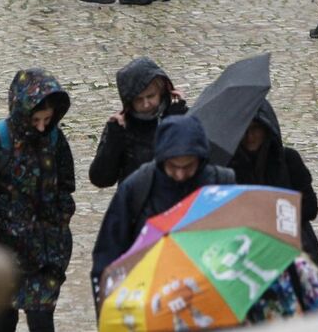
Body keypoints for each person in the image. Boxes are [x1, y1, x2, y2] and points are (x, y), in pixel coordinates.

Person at [0, 69, 76, 332]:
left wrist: (59, 224)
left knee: (41, 320)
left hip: (45, 254)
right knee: (4, 319)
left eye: (47, 119)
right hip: (5, 256)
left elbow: (65, 187)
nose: (41, 127)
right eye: (36, 119)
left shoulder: (55, 139)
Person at [91, 115, 234, 307]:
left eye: (189, 166)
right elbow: (108, 253)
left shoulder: (222, 183)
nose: (181, 174)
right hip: (151, 299)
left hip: (210, 297)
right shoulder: (137, 188)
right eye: (173, 166)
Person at [229, 100, 318, 269]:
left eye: (255, 129)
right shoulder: (230, 168)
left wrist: (274, 215)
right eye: (245, 130)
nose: (250, 137)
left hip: (294, 248)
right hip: (251, 252)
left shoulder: (288, 160)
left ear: (266, 129)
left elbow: (310, 207)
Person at [89, 57, 188, 188]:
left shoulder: (181, 116)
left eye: (151, 96)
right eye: (139, 99)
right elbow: (101, 179)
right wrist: (114, 138)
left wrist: (179, 117)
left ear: (161, 92)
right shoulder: (121, 127)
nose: (146, 104)